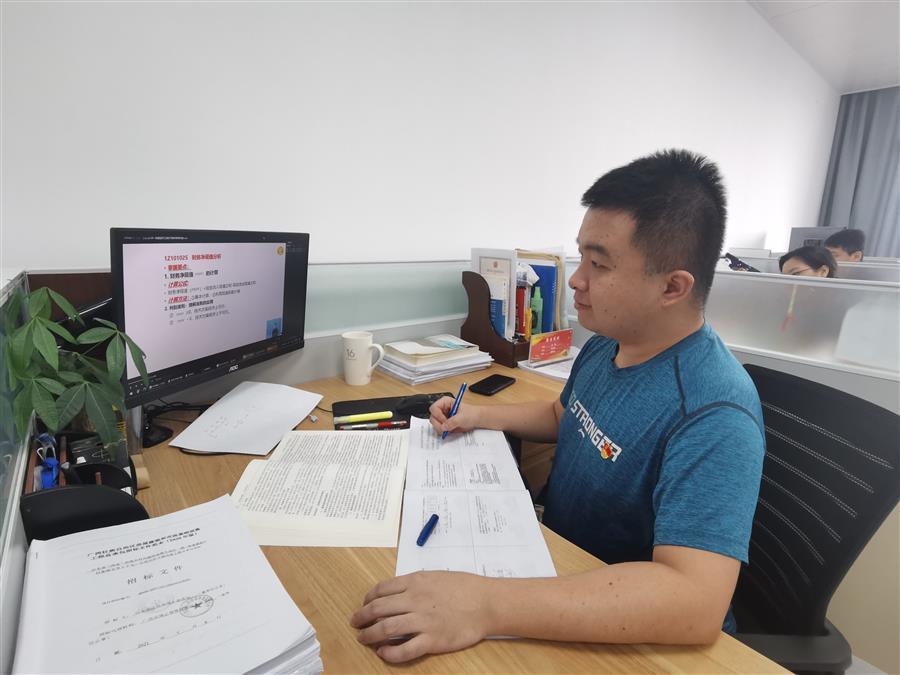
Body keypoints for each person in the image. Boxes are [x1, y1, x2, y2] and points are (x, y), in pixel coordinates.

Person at [350, 149, 765, 664]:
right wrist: (479, 415)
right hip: (560, 568)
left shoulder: (714, 411)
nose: (575, 280)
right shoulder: (610, 340)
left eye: (599, 264)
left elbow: (694, 601)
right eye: (581, 258)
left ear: (672, 287)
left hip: (632, 631)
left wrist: (484, 603)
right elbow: (564, 417)